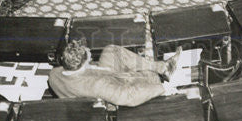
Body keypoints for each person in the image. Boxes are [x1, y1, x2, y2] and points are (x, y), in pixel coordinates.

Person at [49, 38, 180, 108]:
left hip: (89, 80)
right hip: (107, 92)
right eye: (88, 55)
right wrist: (162, 88)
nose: (89, 51)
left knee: (111, 50)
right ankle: (162, 72)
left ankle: (163, 67)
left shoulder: (54, 74)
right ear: (82, 65)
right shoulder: (99, 85)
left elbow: (86, 74)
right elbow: (128, 97)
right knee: (148, 77)